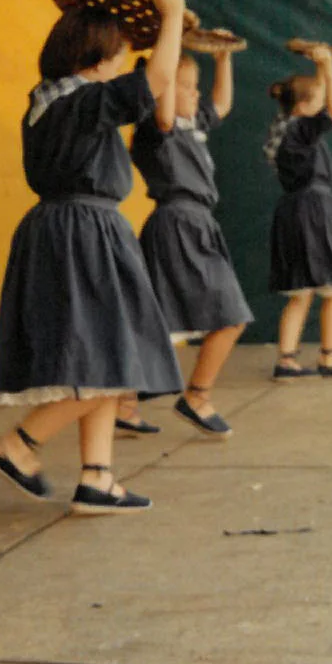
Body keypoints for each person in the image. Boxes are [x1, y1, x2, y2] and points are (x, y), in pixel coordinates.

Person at [0, 0, 186, 514]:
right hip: (85, 232)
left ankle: (98, 477)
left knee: (106, 356)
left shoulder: (46, 101)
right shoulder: (84, 101)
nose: (121, 64)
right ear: (96, 58)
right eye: (118, 54)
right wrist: (173, 15)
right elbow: (157, 81)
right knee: (111, 354)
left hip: (64, 229)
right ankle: (19, 443)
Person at [131, 47, 252, 436]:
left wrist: (223, 58)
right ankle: (196, 397)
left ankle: (123, 404)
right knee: (231, 315)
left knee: (156, 320)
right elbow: (164, 107)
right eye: (185, 85)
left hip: (196, 223)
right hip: (178, 223)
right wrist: (167, 55)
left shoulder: (192, 122)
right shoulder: (156, 128)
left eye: (194, 86)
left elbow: (222, 104)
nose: (195, 93)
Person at [266, 46, 332, 379]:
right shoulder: (302, 129)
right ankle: (329, 357)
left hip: (292, 211)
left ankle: (286, 360)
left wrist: (323, 68)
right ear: (303, 106)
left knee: (301, 291)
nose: (323, 105)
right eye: (317, 101)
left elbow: (322, 98)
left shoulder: (285, 128)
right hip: (315, 211)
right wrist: (327, 64)